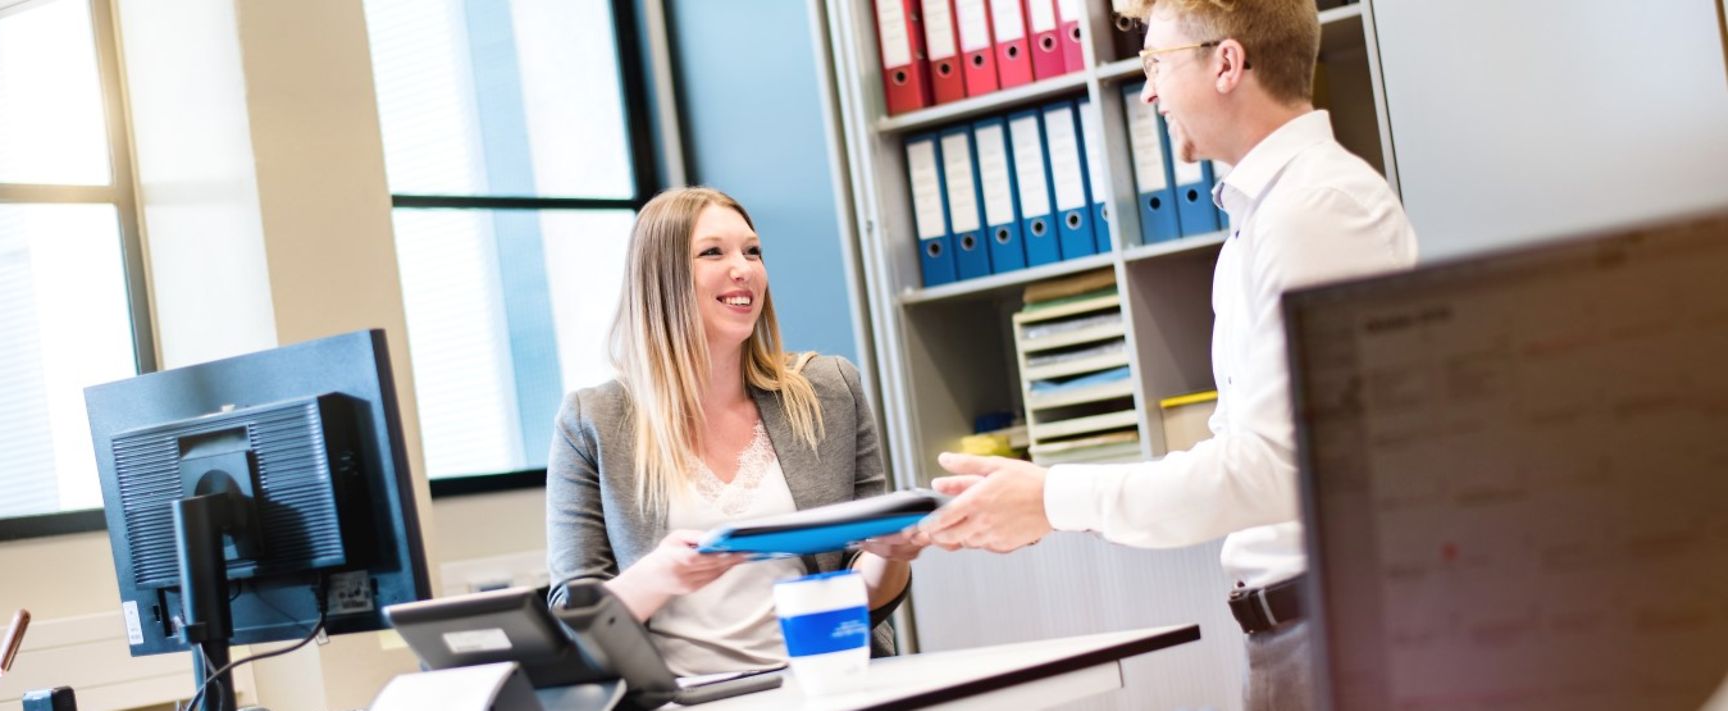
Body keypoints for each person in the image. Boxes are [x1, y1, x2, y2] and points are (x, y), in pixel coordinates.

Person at [913, 1, 1417, 709]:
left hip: (1341, 626)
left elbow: (1281, 466)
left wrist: (1054, 497)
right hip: (1300, 627)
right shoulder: (1262, 216)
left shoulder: (1316, 208)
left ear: (1226, 62)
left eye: (1156, 63)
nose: (1147, 90)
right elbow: (1245, 453)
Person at [546, 186, 923, 676]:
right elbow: (574, 620)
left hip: (825, 686)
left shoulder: (830, 390)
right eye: (712, 253)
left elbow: (865, 596)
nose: (743, 269)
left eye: (753, 251)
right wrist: (659, 575)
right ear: (661, 279)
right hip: (683, 699)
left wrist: (889, 555)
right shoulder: (592, 421)